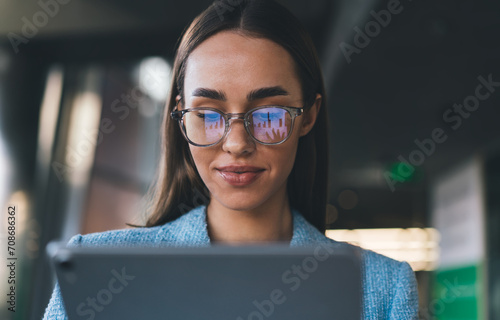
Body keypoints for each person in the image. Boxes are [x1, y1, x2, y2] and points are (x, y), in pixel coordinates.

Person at [43, 0, 419, 318]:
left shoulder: (382, 289)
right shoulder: (97, 269)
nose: (237, 143)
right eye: (208, 115)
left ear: (308, 115)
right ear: (180, 115)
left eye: (268, 114)